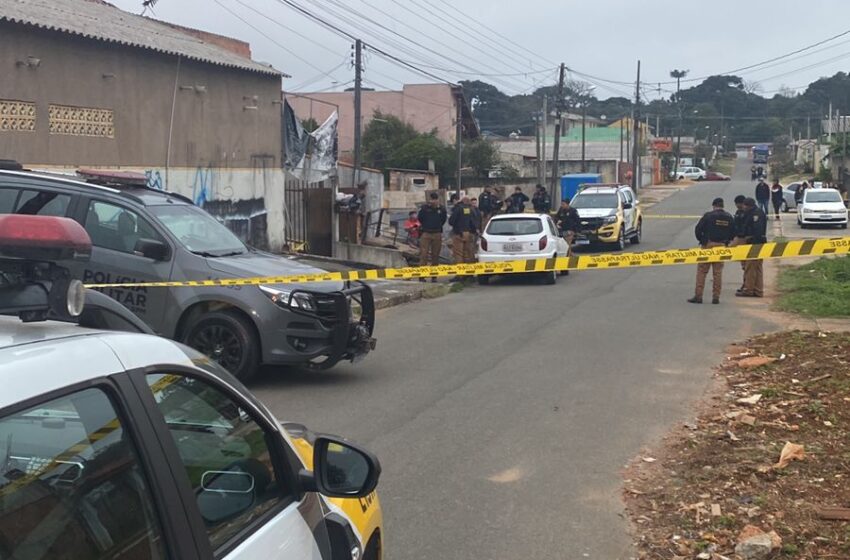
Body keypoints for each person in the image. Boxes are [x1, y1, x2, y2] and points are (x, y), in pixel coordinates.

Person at [688, 198, 735, 305]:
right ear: (722, 206)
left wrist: (702, 240)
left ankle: (698, 296)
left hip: (708, 245)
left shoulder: (708, 216)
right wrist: (727, 242)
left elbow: (698, 229)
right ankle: (716, 297)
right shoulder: (729, 217)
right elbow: (733, 232)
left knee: (702, 271)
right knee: (717, 273)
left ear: (714, 206)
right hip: (721, 246)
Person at [737, 197, 767, 298]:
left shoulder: (755, 214)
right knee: (757, 267)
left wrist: (750, 240)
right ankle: (758, 290)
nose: (743, 207)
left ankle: (748, 290)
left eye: (744, 206)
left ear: (747, 205)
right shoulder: (756, 212)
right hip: (759, 243)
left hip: (754, 243)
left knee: (750, 267)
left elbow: (757, 230)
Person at [417, 192, 447, 281]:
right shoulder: (425, 208)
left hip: (437, 233)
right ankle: (422, 276)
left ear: (438, 200)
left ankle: (434, 276)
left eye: (435, 199)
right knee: (424, 255)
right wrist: (426, 225)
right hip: (426, 233)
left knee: (435, 255)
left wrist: (437, 225)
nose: (433, 201)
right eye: (432, 199)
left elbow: (443, 220)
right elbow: (420, 218)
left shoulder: (441, 209)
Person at [448, 195, 476, 265]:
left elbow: (451, 221)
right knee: (467, 253)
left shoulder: (458, 208)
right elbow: (473, 222)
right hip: (468, 233)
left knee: (458, 254)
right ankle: (468, 273)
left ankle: (461, 274)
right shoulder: (471, 209)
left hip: (458, 234)